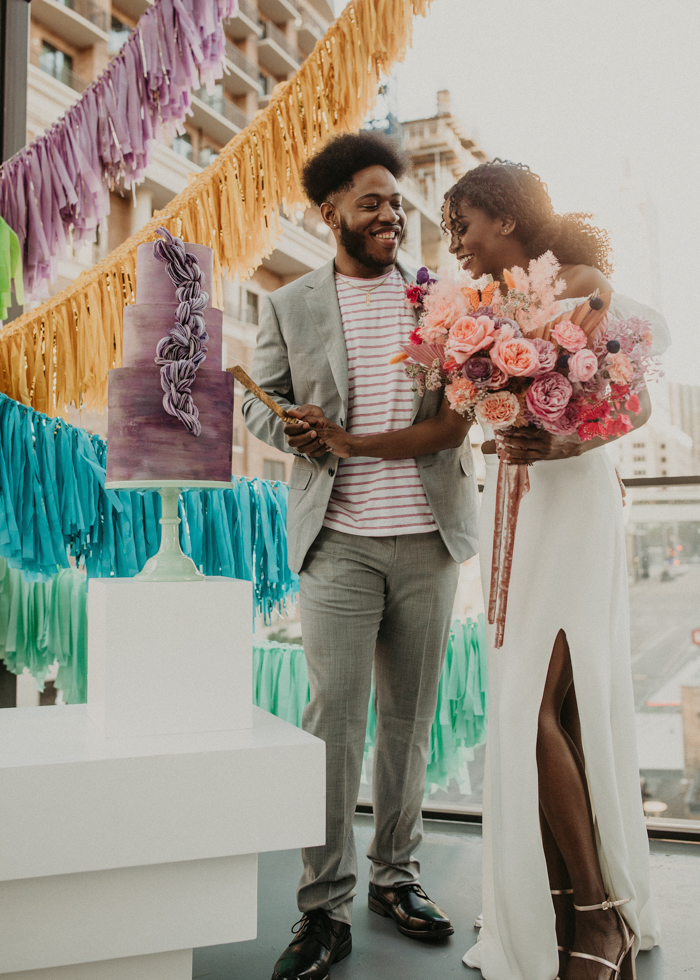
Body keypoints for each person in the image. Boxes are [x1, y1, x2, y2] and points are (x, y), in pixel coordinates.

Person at [319, 161, 670, 980]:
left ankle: (599, 912)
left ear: (508, 219)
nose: (459, 245)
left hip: (568, 501)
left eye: (466, 225)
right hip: (515, 498)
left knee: (528, 707)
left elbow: (634, 401)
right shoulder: (489, 305)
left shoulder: (579, 282)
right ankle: (555, 898)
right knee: (554, 707)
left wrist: (563, 441)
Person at [242, 131, 480, 980]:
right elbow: (260, 407)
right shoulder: (291, 304)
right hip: (336, 543)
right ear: (330, 211)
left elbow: (462, 414)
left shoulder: (439, 299)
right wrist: (297, 433)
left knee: (408, 729)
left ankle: (396, 878)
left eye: (396, 203)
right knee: (333, 728)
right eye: (372, 201)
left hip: (430, 540)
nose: (391, 216)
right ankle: (322, 909)